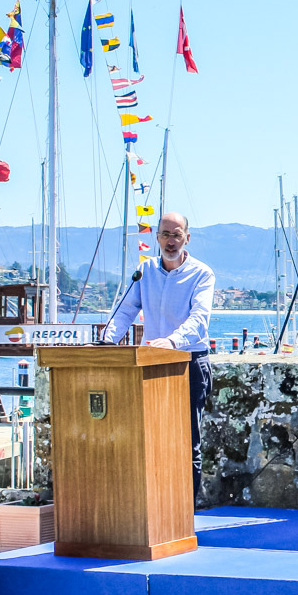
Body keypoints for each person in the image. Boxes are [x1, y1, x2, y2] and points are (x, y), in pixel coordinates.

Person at [106, 211, 216, 499]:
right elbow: (126, 310)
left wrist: (171, 341)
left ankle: (186, 509)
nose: (170, 241)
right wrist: (106, 341)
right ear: (156, 238)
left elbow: (199, 319)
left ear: (187, 238)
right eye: (165, 234)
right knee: (152, 438)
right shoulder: (144, 271)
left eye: (176, 234)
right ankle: (158, 504)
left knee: (187, 440)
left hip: (189, 362)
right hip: (153, 363)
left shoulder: (202, 274)